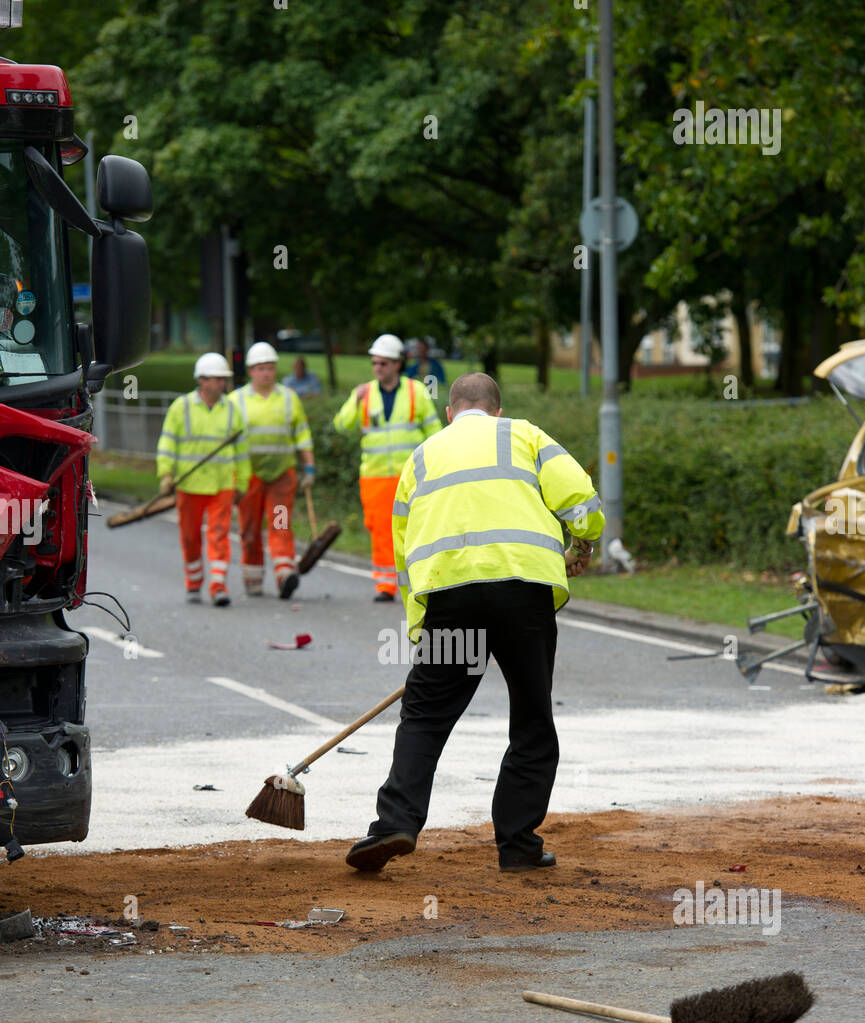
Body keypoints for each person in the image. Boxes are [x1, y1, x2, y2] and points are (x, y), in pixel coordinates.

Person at [346, 371, 604, 874]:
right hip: (523, 593)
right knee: (531, 719)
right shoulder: (524, 434)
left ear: (449, 413)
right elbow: (581, 496)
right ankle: (518, 846)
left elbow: (405, 553)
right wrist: (583, 542)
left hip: (450, 596)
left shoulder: (422, 456)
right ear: (496, 410)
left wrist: (421, 625)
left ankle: (394, 822)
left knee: (424, 716)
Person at [333, 333, 441, 600]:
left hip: (412, 475)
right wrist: (353, 400)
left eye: (383, 363)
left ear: (397, 364)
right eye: (375, 363)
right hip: (375, 476)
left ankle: (419, 582)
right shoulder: (364, 393)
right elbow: (341, 425)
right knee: (380, 529)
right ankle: (385, 585)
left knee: (418, 528)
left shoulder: (417, 391)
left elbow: (435, 433)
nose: (377, 368)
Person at [155, 353, 249, 607]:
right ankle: (194, 583)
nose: (223, 384)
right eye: (219, 379)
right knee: (190, 536)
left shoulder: (232, 410)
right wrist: (166, 474)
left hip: (222, 485)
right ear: (203, 381)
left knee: (219, 534)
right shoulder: (181, 408)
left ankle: (219, 586)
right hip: (189, 485)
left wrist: (242, 483)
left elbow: (242, 452)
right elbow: (167, 444)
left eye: (224, 379)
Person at [230, 341, 315, 599]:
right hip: (249, 478)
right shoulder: (236, 401)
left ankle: (284, 573)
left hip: (280, 476)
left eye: (269, 368)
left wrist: (309, 467)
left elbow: (301, 434)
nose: (265, 373)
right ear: (251, 371)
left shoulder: (289, 398)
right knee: (250, 528)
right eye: (260, 368)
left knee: (280, 524)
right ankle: (253, 577)